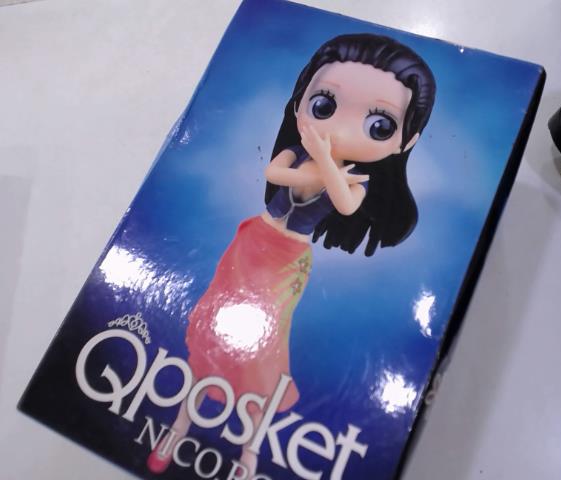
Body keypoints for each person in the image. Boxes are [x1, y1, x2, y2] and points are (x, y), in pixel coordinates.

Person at [148, 33, 436, 476]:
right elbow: (275, 172)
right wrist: (319, 160)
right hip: (250, 244)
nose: (339, 129)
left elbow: (345, 204)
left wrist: (326, 162)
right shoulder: (298, 154)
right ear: (300, 100)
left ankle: (249, 450)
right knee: (214, 337)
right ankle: (179, 426)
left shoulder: (356, 183)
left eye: (379, 125)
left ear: (406, 141)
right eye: (324, 105)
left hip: (286, 264)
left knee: (263, 354)